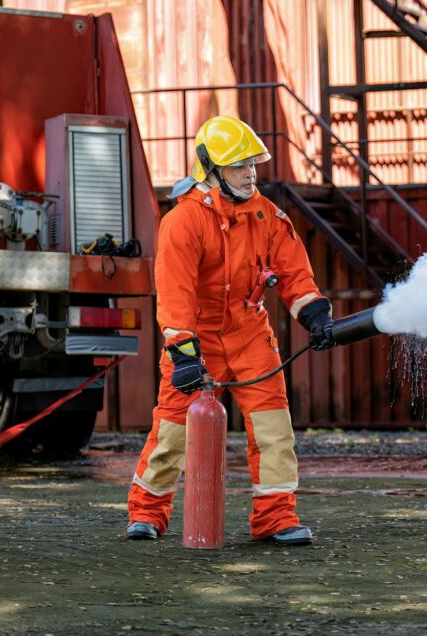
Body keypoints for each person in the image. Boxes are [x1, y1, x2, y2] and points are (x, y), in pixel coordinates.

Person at [125, 115, 334, 545]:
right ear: (212, 170)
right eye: (239, 165)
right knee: (173, 430)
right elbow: (176, 292)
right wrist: (184, 354)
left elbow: (295, 274)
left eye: (252, 163)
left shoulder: (267, 215)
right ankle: (146, 512)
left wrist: (315, 314)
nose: (250, 172)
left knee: (275, 428)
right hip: (195, 338)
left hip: (250, 331)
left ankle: (276, 518)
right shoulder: (183, 222)